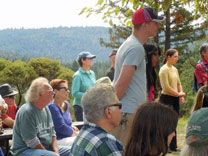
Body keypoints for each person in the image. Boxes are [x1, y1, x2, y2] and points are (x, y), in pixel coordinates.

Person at [113, 7, 165, 146]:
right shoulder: (136, 48)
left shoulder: (130, 44)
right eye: (155, 23)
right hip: (129, 114)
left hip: (127, 113)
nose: (158, 26)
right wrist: (110, 109)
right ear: (144, 25)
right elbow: (122, 84)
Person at [10, 77, 70, 156]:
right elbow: (32, 142)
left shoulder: (46, 108)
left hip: (46, 148)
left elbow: (53, 134)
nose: (53, 93)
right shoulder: (27, 111)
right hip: (25, 150)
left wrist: (56, 151)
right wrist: (51, 153)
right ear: (39, 94)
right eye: (50, 91)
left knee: (74, 150)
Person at [70, 80, 123, 156]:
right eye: (119, 106)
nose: (121, 110)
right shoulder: (105, 142)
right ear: (108, 112)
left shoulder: (83, 133)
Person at [159, 48, 185, 152]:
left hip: (175, 98)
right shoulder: (163, 70)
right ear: (168, 57)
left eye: (177, 56)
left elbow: (179, 84)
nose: (177, 58)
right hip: (166, 98)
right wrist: (178, 94)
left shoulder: (175, 69)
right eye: (175, 56)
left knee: (174, 121)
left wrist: (181, 96)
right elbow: (166, 87)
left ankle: (173, 146)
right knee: (166, 122)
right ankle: (165, 146)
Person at [49, 79, 79, 146]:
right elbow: (61, 127)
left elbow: (68, 122)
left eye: (68, 89)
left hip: (68, 137)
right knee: (82, 142)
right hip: (58, 140)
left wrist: (72, 126)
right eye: (65, 89)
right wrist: (76, 134)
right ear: (55, 91)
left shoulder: (66, 104)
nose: (68, 91)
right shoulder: (52, 107)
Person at [72, 51, 96, 121]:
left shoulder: (92, 73)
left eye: (92, 58)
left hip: (91, 107)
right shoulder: (77, 75)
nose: (92, 60)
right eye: (90, 58)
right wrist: (88, 95)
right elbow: (75, 93)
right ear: (83, 60)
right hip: (80, 107)